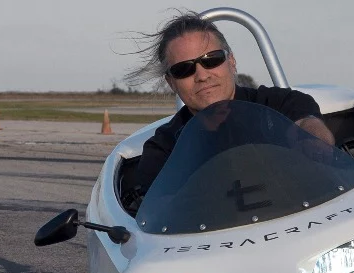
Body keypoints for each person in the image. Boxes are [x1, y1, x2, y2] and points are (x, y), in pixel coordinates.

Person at [127, 11, 335, 207]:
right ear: (171, 82)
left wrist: (313, 140)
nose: (202, 75)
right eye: (184, 69)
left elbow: (306, 121)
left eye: (211, 60)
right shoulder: (162, 147)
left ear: (232, 61)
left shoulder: (281, 103)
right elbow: (160, 211)